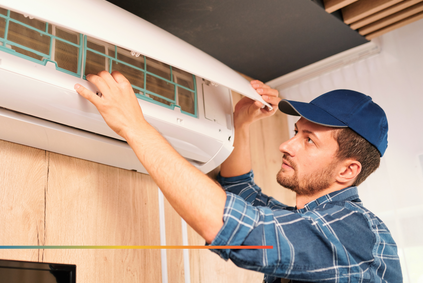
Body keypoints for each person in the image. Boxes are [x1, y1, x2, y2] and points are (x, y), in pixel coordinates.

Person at [74, 71, 402, 283]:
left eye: (308, 140)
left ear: (348, 170)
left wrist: (133, 125)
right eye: (296, 132)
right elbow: (240, 191)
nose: (285, 145)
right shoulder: (312, 223)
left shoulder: (354, 233)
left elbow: (235, 226)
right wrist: (239, 123)